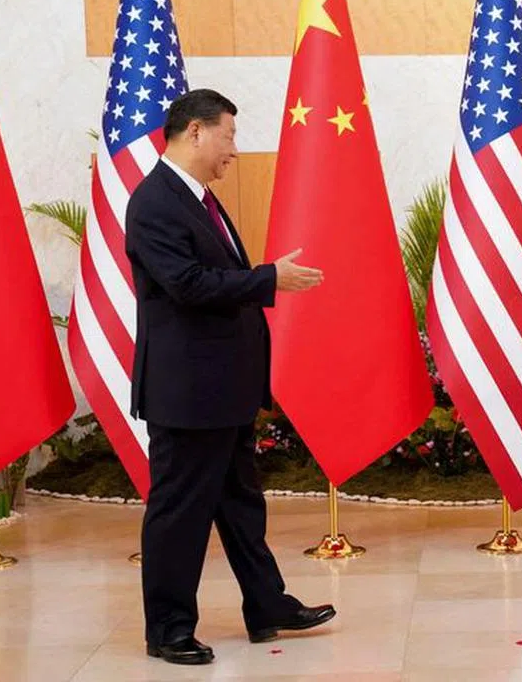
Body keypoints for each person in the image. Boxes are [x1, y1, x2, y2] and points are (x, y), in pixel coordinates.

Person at [126, 89, 335, 665]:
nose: (234, 151)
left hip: (222, 388)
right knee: (180, 512)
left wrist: (263, 280)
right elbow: (188, 285)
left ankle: (267, 605)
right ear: (195, 131)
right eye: (229, 136)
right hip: (188, 393)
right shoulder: (155, 203)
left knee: (240, 503)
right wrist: (269, 278)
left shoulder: (196, 200)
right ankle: (167, 628)